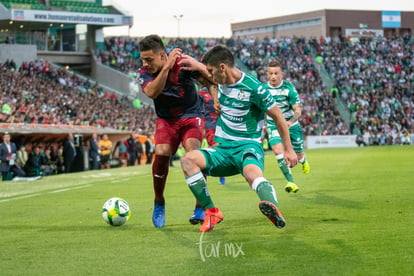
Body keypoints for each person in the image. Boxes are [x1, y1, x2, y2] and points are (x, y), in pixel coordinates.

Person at [179, 45, 298, 232]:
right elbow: (205, 71)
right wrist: (194, 64)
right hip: (223, 149)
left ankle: (271, 206)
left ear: (222, 68)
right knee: (187, 161)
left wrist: (289, 149)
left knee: (252, 174)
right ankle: (212, 212)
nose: (209, 76)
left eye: (211, 71)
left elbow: (279, 117)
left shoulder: (255, 88)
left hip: (248, 146)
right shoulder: (220, 77)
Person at [138, 34, 214, 228]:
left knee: (193, 153)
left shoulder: (183, 65)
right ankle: (159, 201)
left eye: (149, 59)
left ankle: (200, 205)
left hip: (191, 114)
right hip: (167, 119)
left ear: (162, 55)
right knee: (162, 152)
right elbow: (152, 92)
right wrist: (165, 67)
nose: (145, 64)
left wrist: (199, 66)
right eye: (143, 59)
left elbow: (211, 80)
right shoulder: (145, 73)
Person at [263, 60, 311, 193]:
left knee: (299, 153)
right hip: (274, 125)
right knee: (278, 151)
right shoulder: (263, 90)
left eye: (276, 73)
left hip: (292, 125)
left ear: (281, 74)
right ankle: (291, 181)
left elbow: (298, 110)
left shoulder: (289, 88)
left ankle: (303, 160)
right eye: (270, 73)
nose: (273, 76)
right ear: (267, 74)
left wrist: (290, 121)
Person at [197, 80, 226, 185]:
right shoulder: (201, 94)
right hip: (210, 125)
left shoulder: (222, 90)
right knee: (215, 148)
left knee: (222, 149)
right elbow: (198, 110)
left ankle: (220, 172)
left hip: (223, 124)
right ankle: (218, 173)